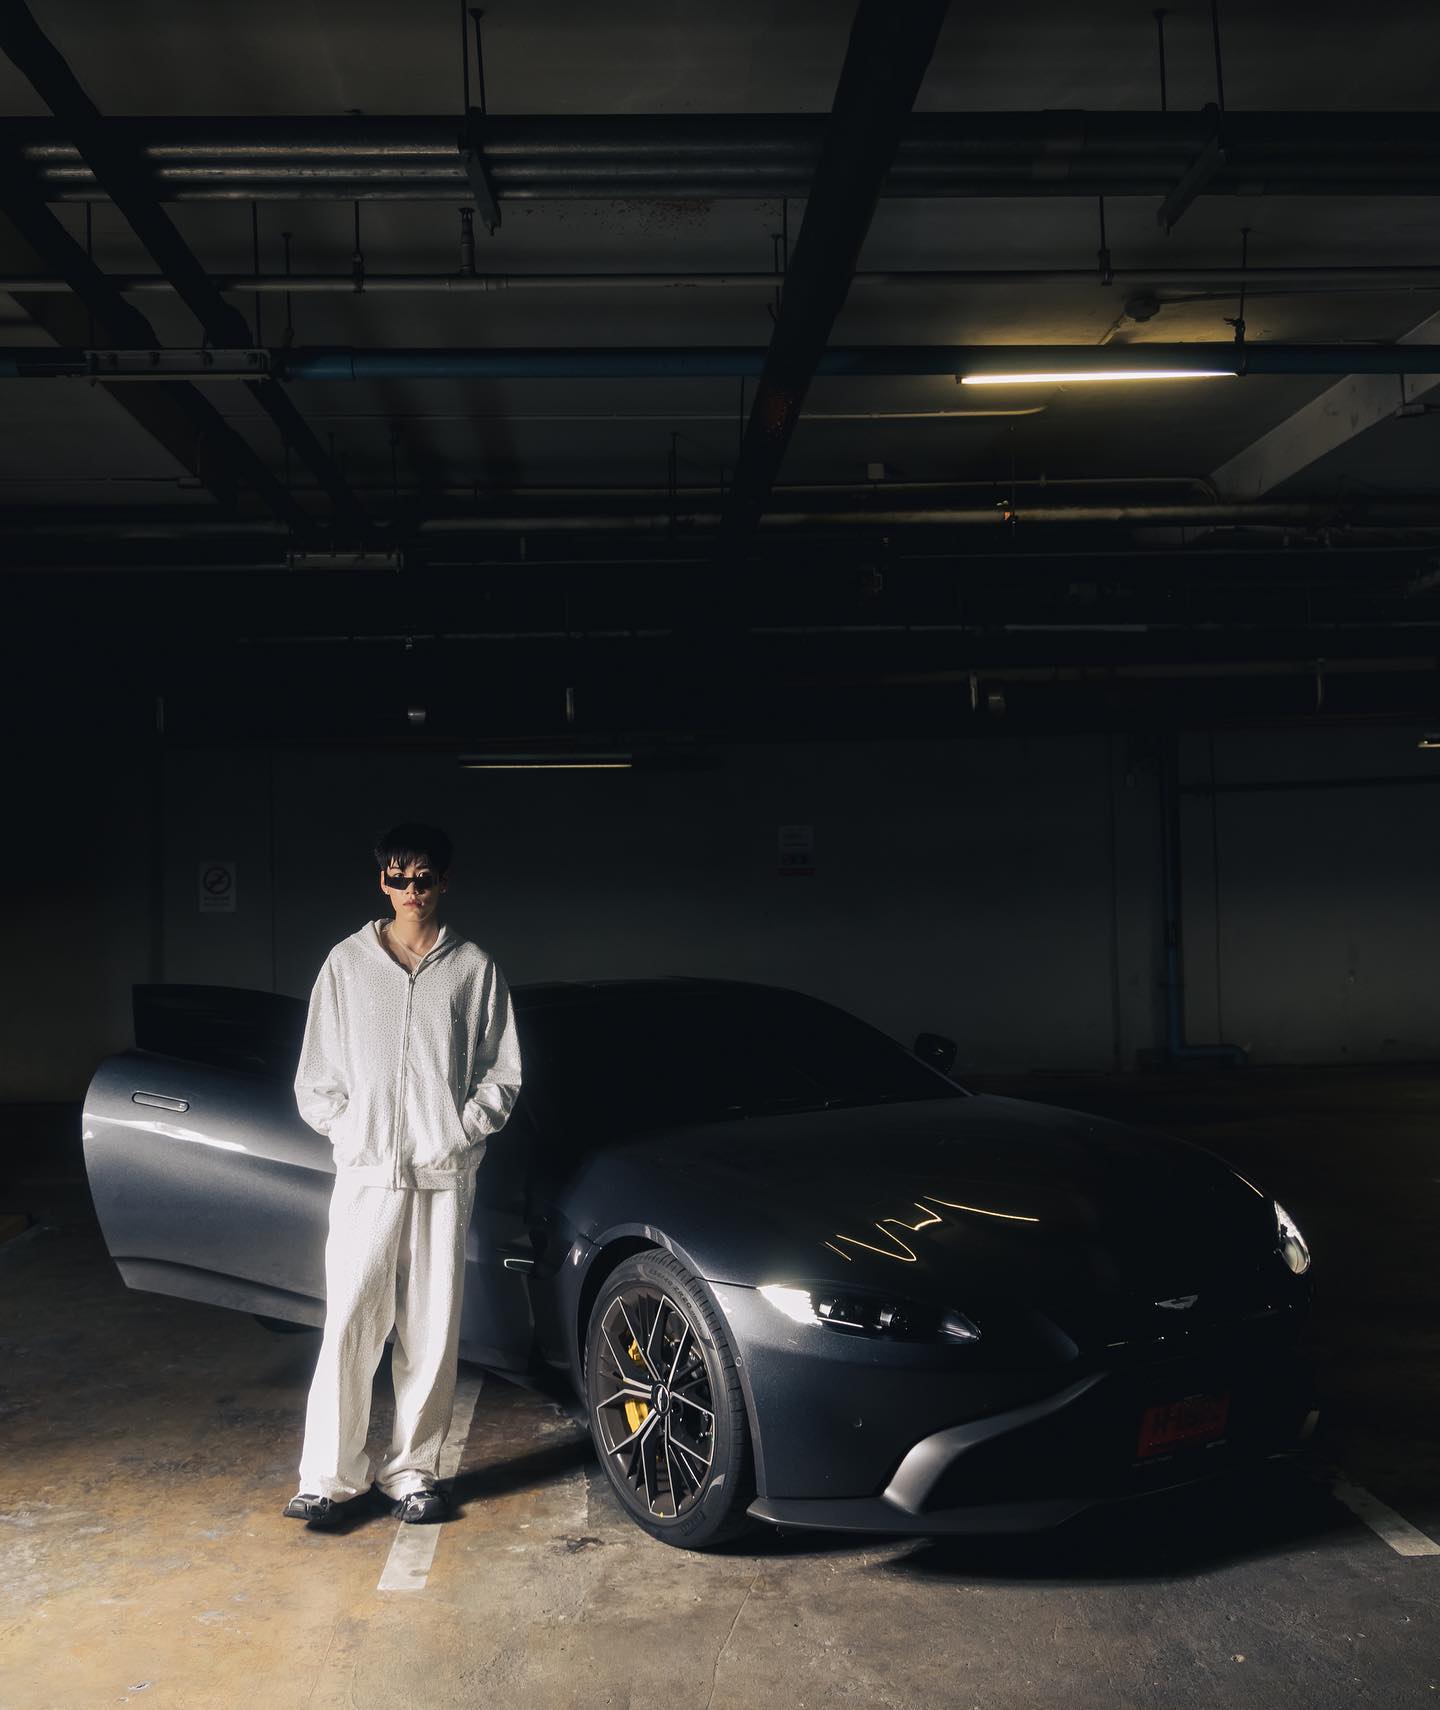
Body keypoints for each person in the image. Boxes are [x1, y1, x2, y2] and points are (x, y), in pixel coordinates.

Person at [283, 821, 522, 1530]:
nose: (410, 889)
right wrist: (351, 1131)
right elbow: (317, 1074)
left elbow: (502, 1072)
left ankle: (413, 1472)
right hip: (365, 1177)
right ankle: (328, 1478)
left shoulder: (473, 969)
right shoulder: (347, 964)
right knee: (351, 1321)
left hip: (443, 1175)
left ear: (444, 881)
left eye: (423, 877)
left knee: (430, 1329)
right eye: (397, 875)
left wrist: (459, 1131)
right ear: (381, 880)